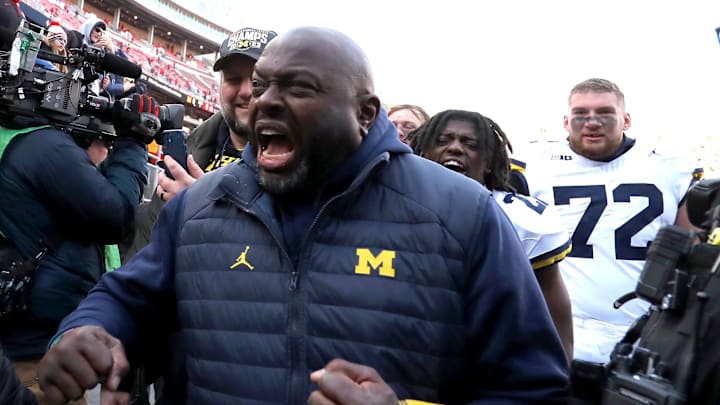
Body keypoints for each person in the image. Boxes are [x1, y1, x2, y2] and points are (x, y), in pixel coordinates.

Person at [38, 26, 569, 404]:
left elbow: (533, 387)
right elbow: (126, 298)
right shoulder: (201, 206)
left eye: (299, 87)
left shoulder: (462, 213)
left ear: (364, 113)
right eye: (264, 85)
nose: (264, 100)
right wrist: (86, 330)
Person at [516, 78, 703, 364]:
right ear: (566, 121)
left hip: (646, 329)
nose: (592, 122)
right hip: (557, 327)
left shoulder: (671, 166)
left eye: (604, 113)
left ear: (626, 120)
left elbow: (693, 257)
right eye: (580, 114)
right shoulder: (534, 165)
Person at [0, 93, 160, 404]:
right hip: (33, 358)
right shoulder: (43, 148)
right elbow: (115, 217)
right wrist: (132, 143)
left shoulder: (15, 141)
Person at [410, 109, 574, 361]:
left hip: (490, 356)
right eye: (443, 141)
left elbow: (551, 303)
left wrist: (561, 369)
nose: (454, 148)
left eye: (470, 144)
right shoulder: (393, 203)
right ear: (422, 152)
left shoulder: (520, 218)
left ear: (488, 162)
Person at [123, 27, 277, 261]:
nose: (246, 91)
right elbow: (147, 246)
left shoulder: (299, 166)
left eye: (257, 81)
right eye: (234, 79)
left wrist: (200, 208)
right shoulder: (189, 150)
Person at [80, 17, 135, 98]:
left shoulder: (102, 53)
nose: (99, 34)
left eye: (102, 32)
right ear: (89, 29)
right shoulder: (78, 41)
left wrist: (111, 51)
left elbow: (108, 83)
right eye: (97, 30)